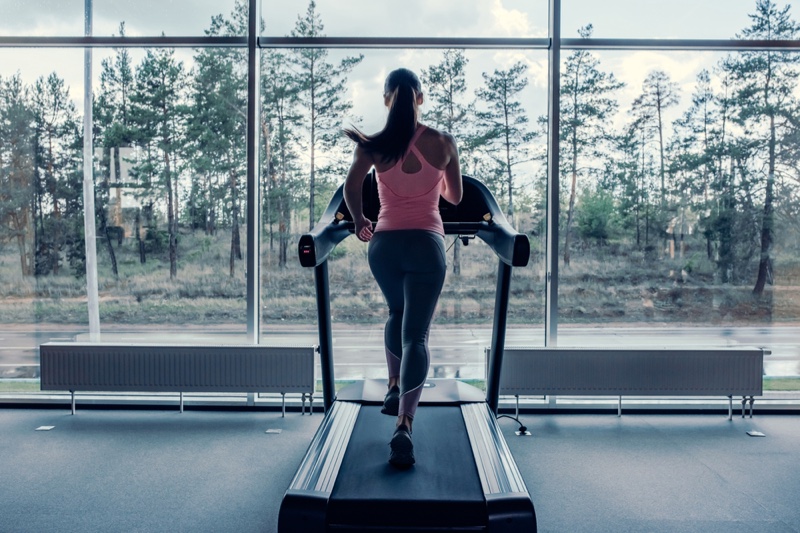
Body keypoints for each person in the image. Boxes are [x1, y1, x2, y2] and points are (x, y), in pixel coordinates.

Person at [343, 68, 462, 468]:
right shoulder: (443, 143)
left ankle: (393, 383)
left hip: (385, 246)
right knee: (418, 335)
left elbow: (351, 185)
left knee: (396, 312)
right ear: (420, 99)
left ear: (387, 99)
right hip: (427, 244)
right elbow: (456, 197)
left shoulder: (374, 146)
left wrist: (361, 219)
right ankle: (404, 424)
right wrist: (436, 182)